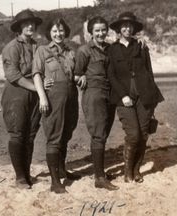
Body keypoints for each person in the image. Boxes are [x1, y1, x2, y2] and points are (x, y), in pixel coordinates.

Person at [108, 12, 164, 183]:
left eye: (130, 25)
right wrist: (124, 95)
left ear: (133, 28)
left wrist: (152, 97)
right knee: (133, 135)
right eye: (124, 25)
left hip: (145, 95)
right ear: (118, 29)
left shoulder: (141, 46)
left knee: (144, 134)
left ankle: (136, 170)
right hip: (123, 97)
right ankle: (127, 171)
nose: (127, 28)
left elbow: (149, 72)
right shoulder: (111, 49)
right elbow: (111, 76)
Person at [1, 9, 47, 188]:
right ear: (19, 27)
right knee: (17, 134)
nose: (30, 26)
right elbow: (13, 75)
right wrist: (38, 87)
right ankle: (19, 177)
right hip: (16, 94)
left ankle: (27, 173)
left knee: (30, 135)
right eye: (26, 23)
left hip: (34, 95)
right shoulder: (11, 47)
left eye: (32, 23)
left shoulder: (36, 46)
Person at [32, 18, 79, 194]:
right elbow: (36, 75)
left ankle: (62, 170)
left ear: (65, 32)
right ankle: (55, 181)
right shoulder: (42, 51)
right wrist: (42, 97)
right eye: (54, 31)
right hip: (52, 99)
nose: (58, 34)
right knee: (54, 137)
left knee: (66, 134)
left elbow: (72, 74)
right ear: (49, 34)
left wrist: (80, 78)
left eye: (60, 31)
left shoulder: (70, 52)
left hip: (71, 98)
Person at [74, 16, 119, 191]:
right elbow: (76, 75)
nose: (101, 33)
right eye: (97, 30)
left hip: (110, 95)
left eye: (103, 30)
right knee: (98, 135)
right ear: (91, 32)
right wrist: (82, 77)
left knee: (104, 134)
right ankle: (99, 178)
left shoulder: (110, 48)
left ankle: (100, 172)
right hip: (94, 95)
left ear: (107, 30)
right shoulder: (84, 50)